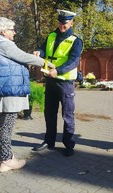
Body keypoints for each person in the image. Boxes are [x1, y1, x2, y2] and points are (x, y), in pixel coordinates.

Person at [0, 17, 55, 172]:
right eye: (12, 29)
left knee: (0, 124)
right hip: (9, 89)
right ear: (3, 31)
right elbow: (23, 56)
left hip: (3, 89)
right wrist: (47, 63)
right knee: (6, 125)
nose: (14, 32)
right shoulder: (4, 44)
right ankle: (7, 159)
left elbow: (15, 61)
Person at [32, 9, 83, 156]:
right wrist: (38, 52)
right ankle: (49, 141)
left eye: (65, 23)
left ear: (71, 22)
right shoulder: (51, 35)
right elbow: (42, 48)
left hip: (65, 82)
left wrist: (58, 71)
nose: (62, 25)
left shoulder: (76, 40)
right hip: (50, 79)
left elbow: (73, 61)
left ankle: (68, 144)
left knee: (67, 114)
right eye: (60, 22)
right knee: (49, 112)